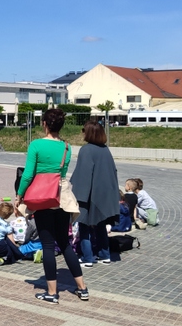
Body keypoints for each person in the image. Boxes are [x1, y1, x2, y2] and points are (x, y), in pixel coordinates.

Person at [15, 108, 88, 304]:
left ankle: (52, 292)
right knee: (65, 244)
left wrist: (19, 195)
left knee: (47, 245)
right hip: (62, 197)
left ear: (44, 124)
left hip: (43, 197)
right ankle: (82, 288)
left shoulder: (36, 145)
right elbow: (61, 173)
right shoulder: (66, 147)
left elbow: (28, 174)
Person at [70, 121, 120, 268]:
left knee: (84, 225)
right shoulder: (105, 149)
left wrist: (77, 197)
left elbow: (83, 174)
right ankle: (105, 255)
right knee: (100, 224)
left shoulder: (86, 150)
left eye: (84, 130)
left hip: (89, 194)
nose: (82, 133)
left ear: (89, 133)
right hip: (104, 194)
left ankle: (87, 258)